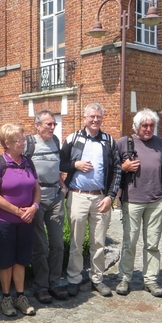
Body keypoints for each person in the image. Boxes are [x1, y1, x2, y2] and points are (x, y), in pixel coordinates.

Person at [60, 103, 121, 297]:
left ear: (102, 118)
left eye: (98, 117)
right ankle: (74, 278)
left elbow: (117, 170)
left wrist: (111, 197)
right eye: (92, 116)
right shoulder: (74, 138)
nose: (95, 120)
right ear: (85, 118)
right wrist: (74, 164)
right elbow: (60, 162)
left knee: (98, 242)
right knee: (77, 242)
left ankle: (97, 279)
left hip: (100, 198)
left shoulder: (109, 141)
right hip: (77, 195)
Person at [0, 124, 41, 317]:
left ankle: (20, 296)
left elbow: (37, 189)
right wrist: (19, 212)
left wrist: (34, 208)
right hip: (4, 222)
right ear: (7, 144)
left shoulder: (28, 163)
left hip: (26, 221)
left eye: (23, 139)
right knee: (6, 260)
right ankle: (6, 298)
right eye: (19, 140)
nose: (23, 143)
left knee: (21, 260)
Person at [115, 109, 162, 298]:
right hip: (133, 200)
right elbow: (113, 170)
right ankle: (125, 278)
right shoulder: (124, 142)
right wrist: (124, 167)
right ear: (137, 126)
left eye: (151, 125)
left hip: (156, 200)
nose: (148, 128)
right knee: (130, 242)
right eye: (145, 125)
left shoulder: (161, 143)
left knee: (152, 243)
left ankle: (151, 280)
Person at [26, 110, 68, 304]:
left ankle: (55, 282)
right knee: (40, 246)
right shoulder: (29, 143)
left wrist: (62, 184)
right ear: (37, 125)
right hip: (37, 199)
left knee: (58, 244)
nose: (52, 127)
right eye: (48, 124)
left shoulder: (56, 141)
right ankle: (41, 286)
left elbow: (56, 167)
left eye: (53, 124)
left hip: (56, 198)